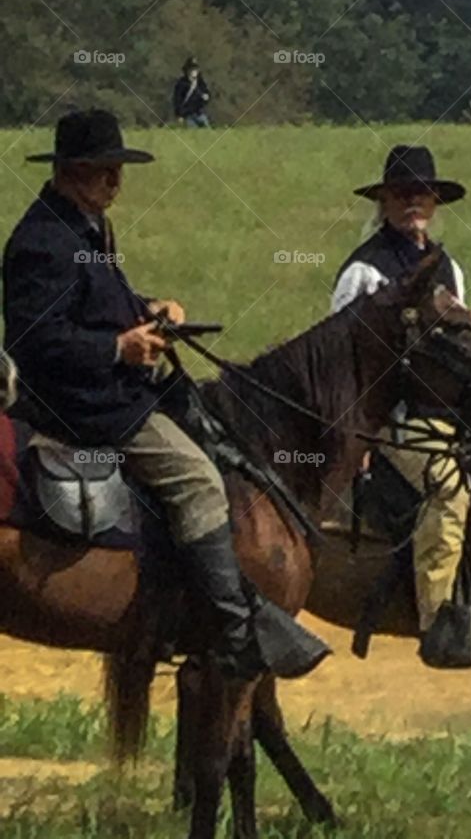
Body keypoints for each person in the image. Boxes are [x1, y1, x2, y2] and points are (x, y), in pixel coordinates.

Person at [2, 108, 329, 676]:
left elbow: (93, 303)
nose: (116, 183)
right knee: (198, 479)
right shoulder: (42, 241)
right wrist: (118, 348)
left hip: (107, 388)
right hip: (81, 402)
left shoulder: (84, 226)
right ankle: (231, 628)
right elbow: (38, 339)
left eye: (117, 171)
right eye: (106, 171)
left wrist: (148, 310)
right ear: (73, 171)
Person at [331, 144, 471, 667]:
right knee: (448, 486)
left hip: (444, 415)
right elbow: (341, 360)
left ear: (435, 202)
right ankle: (437, 621)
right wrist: (359, 435)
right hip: (392, 421)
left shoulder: (449, 269)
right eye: (402, 194)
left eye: (422, 194)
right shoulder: (363, 273)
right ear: (385, 201)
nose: (413, 203)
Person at [173, 57, 211, 127]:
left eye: (195, 69)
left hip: (200, 113)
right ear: (187, 70)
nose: (193, 71)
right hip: (188, 115)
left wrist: (206, 98)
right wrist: (179, 115)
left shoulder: (201, 83)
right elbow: (177, 100)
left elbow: (207, 95)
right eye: (191, 69)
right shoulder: (181, 84)